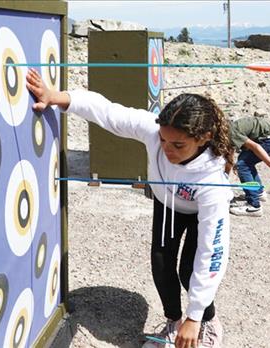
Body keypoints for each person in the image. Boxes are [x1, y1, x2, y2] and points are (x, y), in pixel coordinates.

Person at [26, 68, 233, 348]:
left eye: (178, 145)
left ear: (204, 138)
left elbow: (212, 252)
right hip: (167, 203)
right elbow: (109, 112)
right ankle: (173, 323)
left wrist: (195, 316)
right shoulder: (153, 129)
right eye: (162, 139)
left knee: (188, 269)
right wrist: (57, 97)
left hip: (198, 212)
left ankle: (207, 324)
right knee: (161, 265)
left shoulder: (212, 182)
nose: (166, 149)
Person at [228, 117, 270, 217]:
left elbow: (256, 147)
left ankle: (254, 206)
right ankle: (258, 193)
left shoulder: (231, 132)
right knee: (245, 161)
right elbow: (230, 152)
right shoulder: (229, 129)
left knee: (243, 165)